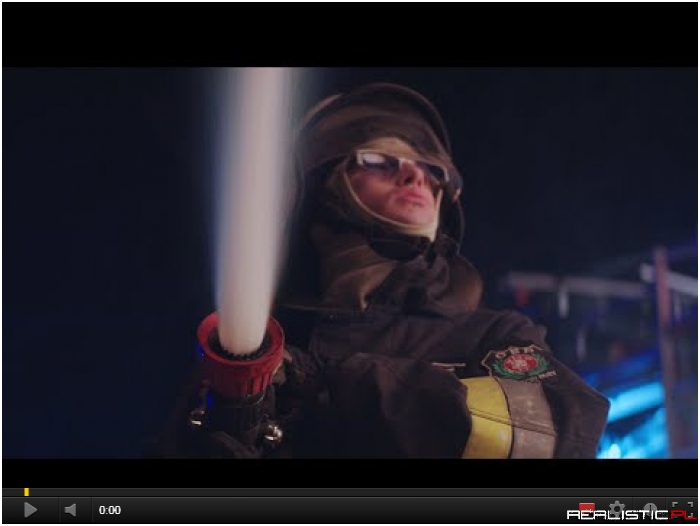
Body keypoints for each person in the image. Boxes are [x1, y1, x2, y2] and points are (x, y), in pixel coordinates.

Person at [149, 82, 611, 459]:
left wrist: (327, 384)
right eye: (378, 160)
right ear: (321, 191)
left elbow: (549, 437)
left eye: (431, 171)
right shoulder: (254, 347)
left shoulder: (491, 335)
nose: (415, 177)